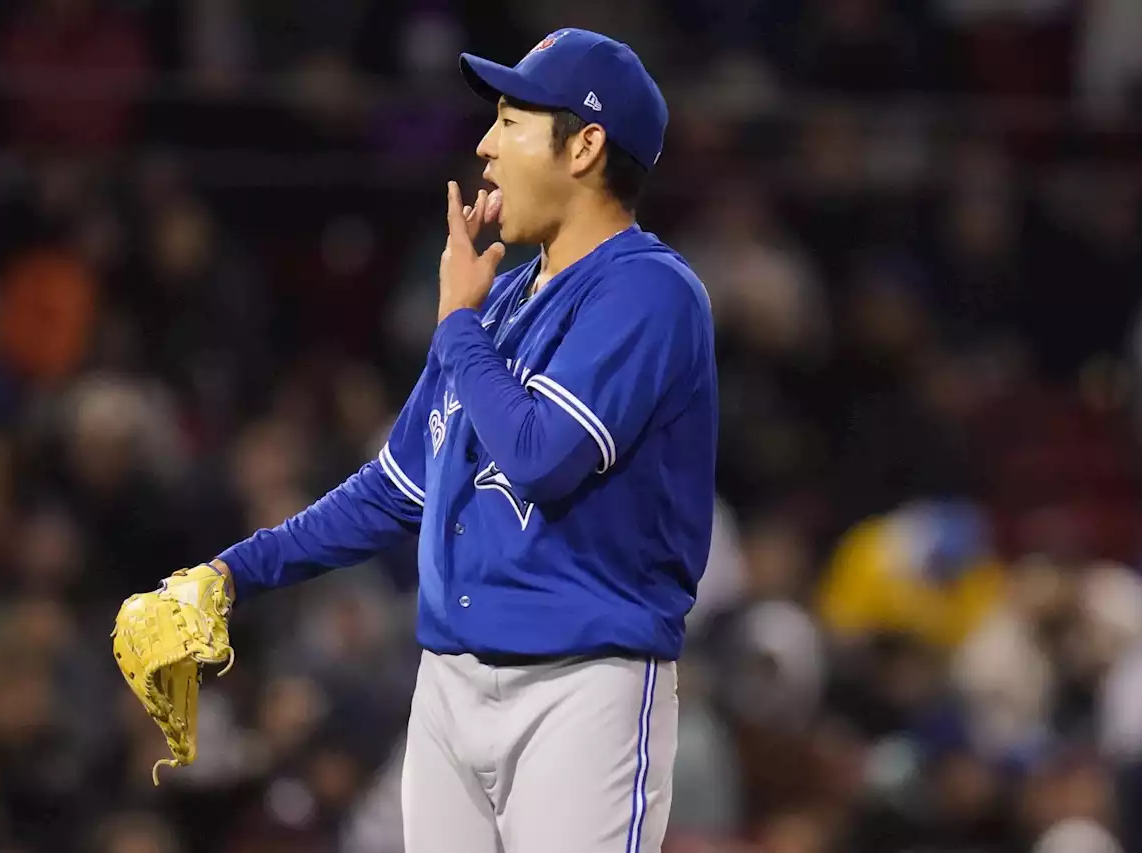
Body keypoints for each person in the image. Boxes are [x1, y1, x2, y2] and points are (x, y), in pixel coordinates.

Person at [135, 27, 717, 852]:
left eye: (513, 121)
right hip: (447, 684)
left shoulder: (649, 292)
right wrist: (230, 573)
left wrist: (457, 323)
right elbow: (390, 489)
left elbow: (540, 455)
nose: (485, 144)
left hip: (581, 689)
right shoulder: (501, 303)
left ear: (585, 146)